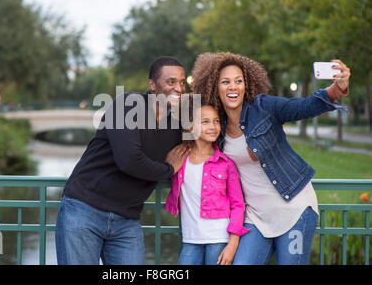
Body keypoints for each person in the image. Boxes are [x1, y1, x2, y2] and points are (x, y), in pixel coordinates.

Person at [191, 52, 350, 265]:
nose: (233, 87)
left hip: (294, 209)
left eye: (239, 81)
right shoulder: (216, 126)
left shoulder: (263, 107)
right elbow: (191, 138)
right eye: (225, 81)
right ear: (214, 87)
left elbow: (302, 107)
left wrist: (336, 89)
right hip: (255, 218)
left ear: (246, 85)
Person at [55, 56, 189, 265]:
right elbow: (129, 160)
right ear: (152, 85)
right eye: (170, 82)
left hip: (127, 220)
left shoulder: (177, 123)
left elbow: (203, 144)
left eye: (182, 82)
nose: (179, 88)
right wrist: (168, 169)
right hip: (84, 209)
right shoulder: (127, 104)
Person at [165, 97, 249, 265]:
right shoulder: (179, 159)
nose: (213, 126)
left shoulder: (226, 164)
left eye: (216, 121)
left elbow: (238, 205)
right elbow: (161, 168)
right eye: (205, 122)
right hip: (190, 239)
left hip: (219, 239)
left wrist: (233, 242)